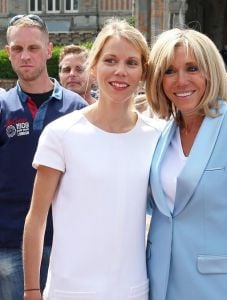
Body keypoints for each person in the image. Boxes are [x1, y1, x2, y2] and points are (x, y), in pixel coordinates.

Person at [23, 18, 162, 300]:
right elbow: (36, 219)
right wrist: (31, 289)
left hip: (133, 290)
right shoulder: (61, 133)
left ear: (143, 72)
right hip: (69, 290)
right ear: (94, 66)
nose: (120, 71)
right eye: (111, 60)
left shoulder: (157, 135)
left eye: (131, 63)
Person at [146, 28, 227, 300]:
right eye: (169, 71)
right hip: (160, 282)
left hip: (217, 287)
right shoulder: (162, 133)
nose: (181, 81)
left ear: (211, 72)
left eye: (192, 68)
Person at [0, 14, 87, 300]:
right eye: (17, 49)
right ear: (8, 52)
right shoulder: (3, 108)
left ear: (49, 50)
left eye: (33, 48)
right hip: (10, 244)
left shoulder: (77, 108)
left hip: (66, 241)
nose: (25, 56)